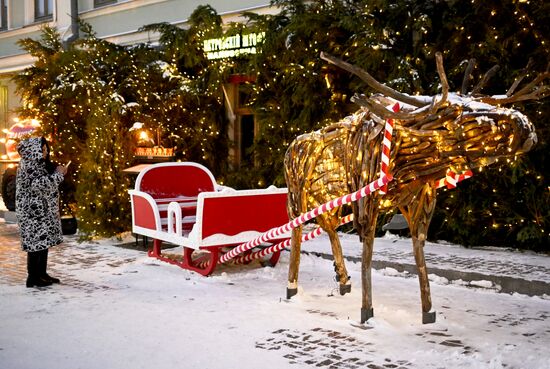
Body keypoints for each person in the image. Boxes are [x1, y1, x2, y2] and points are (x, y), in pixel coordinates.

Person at [15, 136, 68, 288]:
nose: (45, 153)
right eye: (42, 150)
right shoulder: (29, 163)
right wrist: (58, 175)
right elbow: (39, 185)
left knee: (42, 242)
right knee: (35, 244)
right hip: (31, 212)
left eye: (46, 150)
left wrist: (58, 171)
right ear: (34, 150)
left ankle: (41, 274)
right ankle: (33, 277)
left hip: (40, 211)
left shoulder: (38, 163)